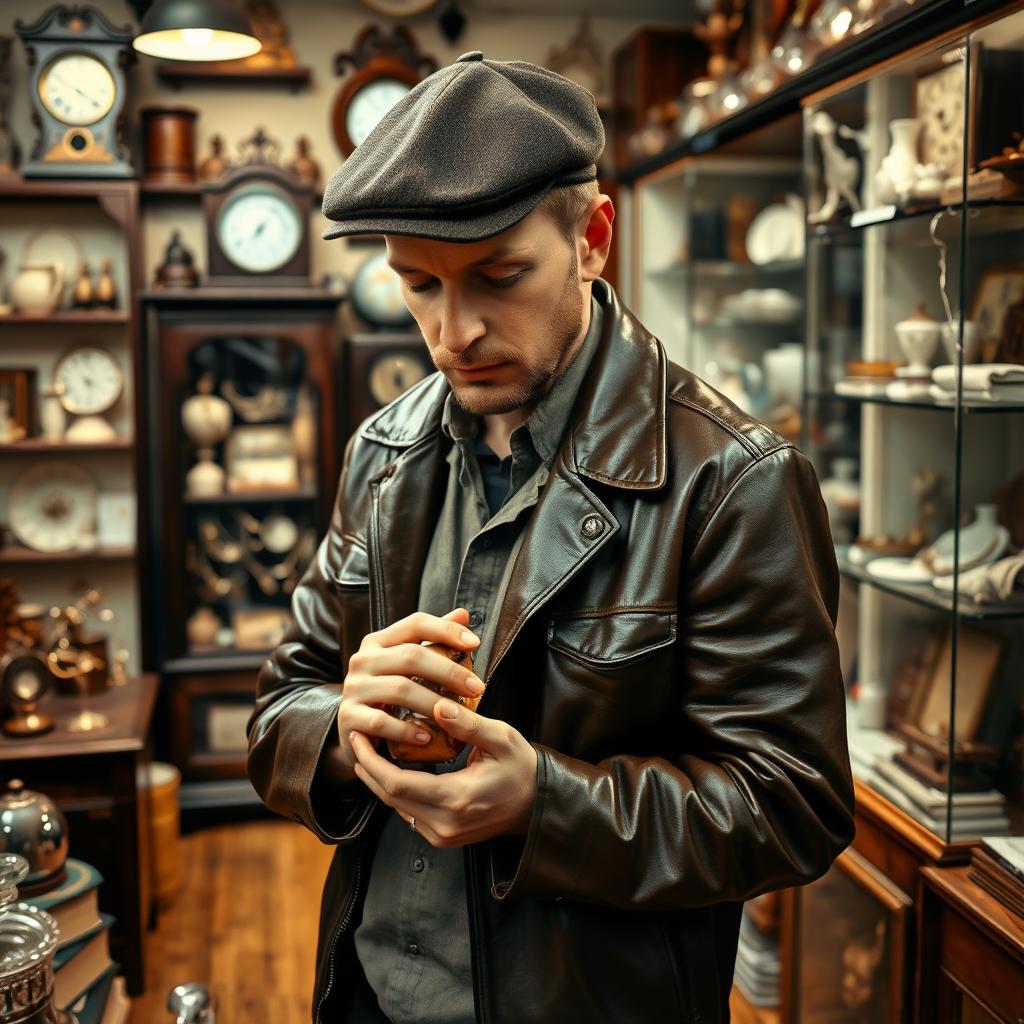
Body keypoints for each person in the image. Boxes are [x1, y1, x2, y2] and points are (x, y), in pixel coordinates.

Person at [247, 51, 855, 1024]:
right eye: (418, 285)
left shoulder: (730, 481)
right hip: (365, 992)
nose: (454, 333)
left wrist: (545, 800)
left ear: (592, 238)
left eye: (497, 276)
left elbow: (792, 806)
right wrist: (343, 731)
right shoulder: (383, 451)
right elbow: (281, 706)